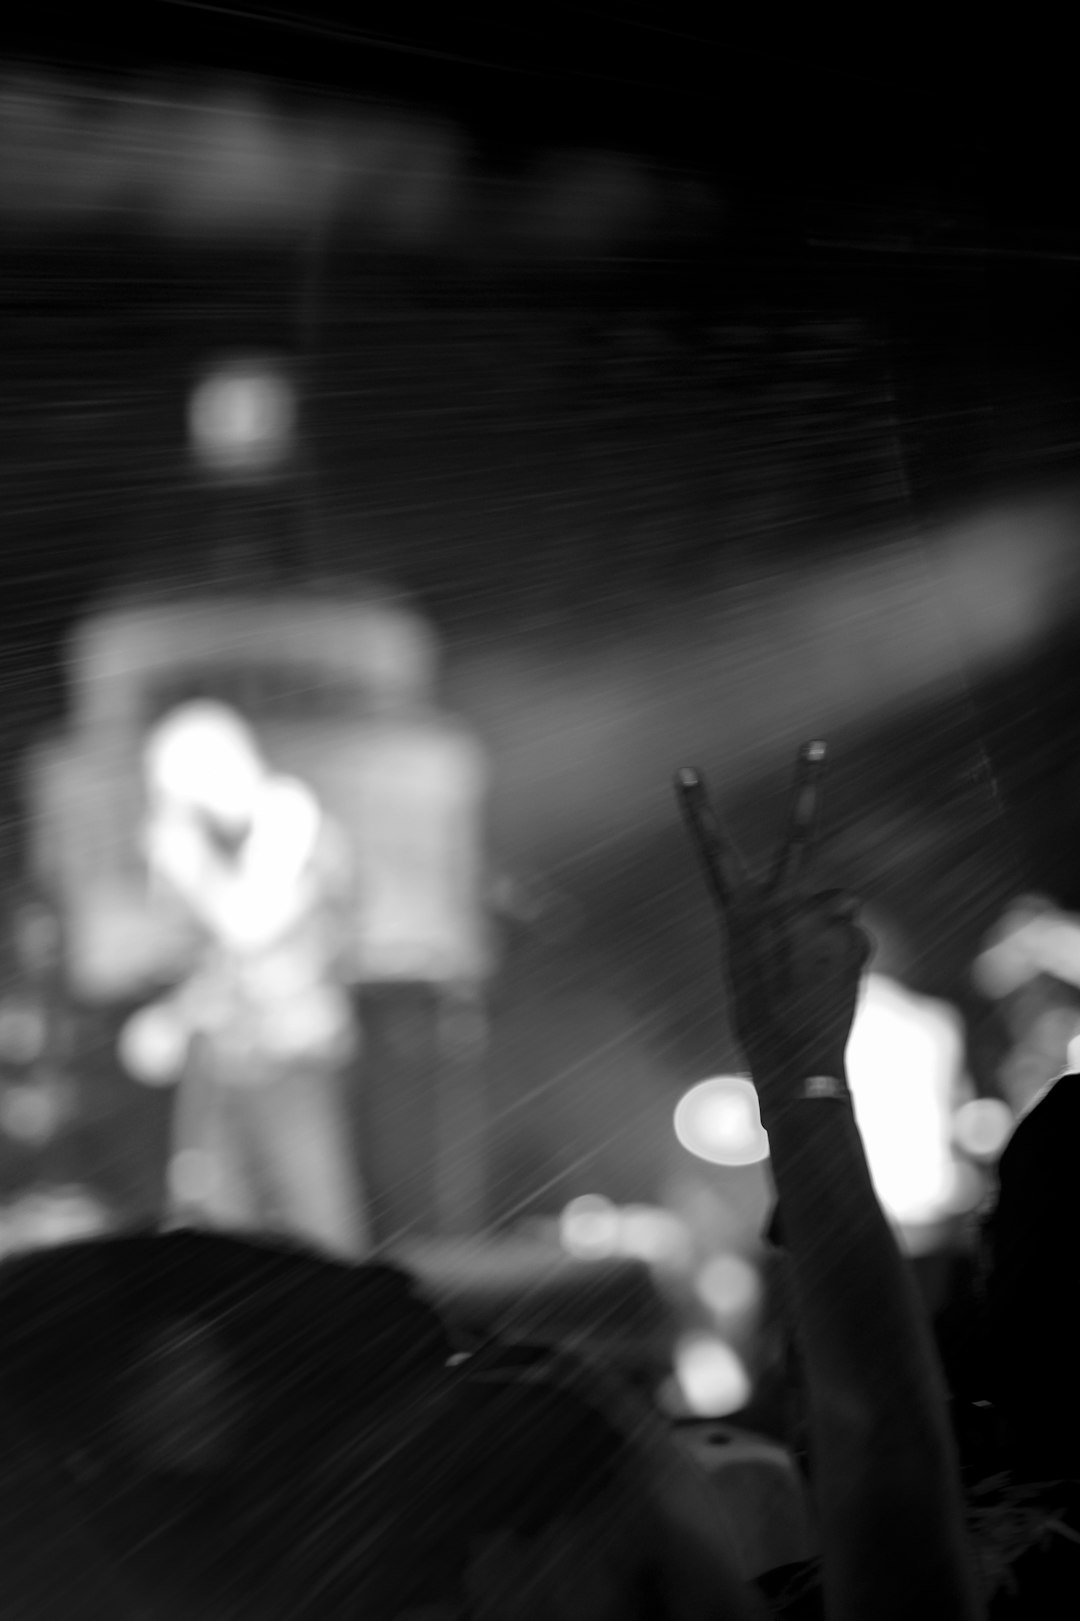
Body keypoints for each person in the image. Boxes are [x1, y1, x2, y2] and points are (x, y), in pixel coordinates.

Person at [675, 742, 984, 1620]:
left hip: (861, 1218)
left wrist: (794, 1072)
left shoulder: (877, 1019)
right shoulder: (932, 1022)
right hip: (919, 1216)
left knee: (847, 1371)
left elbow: (883, 1439)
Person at [119, 701, 368, 1260]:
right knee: (218, 1217)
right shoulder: (215, 841)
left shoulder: (288, 811)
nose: (170, 803)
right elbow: (220, 960)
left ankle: (351, 1337)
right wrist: (173, 1019)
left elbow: (250, 925)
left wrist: (190, 864)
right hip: (226, 1047)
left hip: (291, 1045)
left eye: (172, 784)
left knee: (315, 1216)